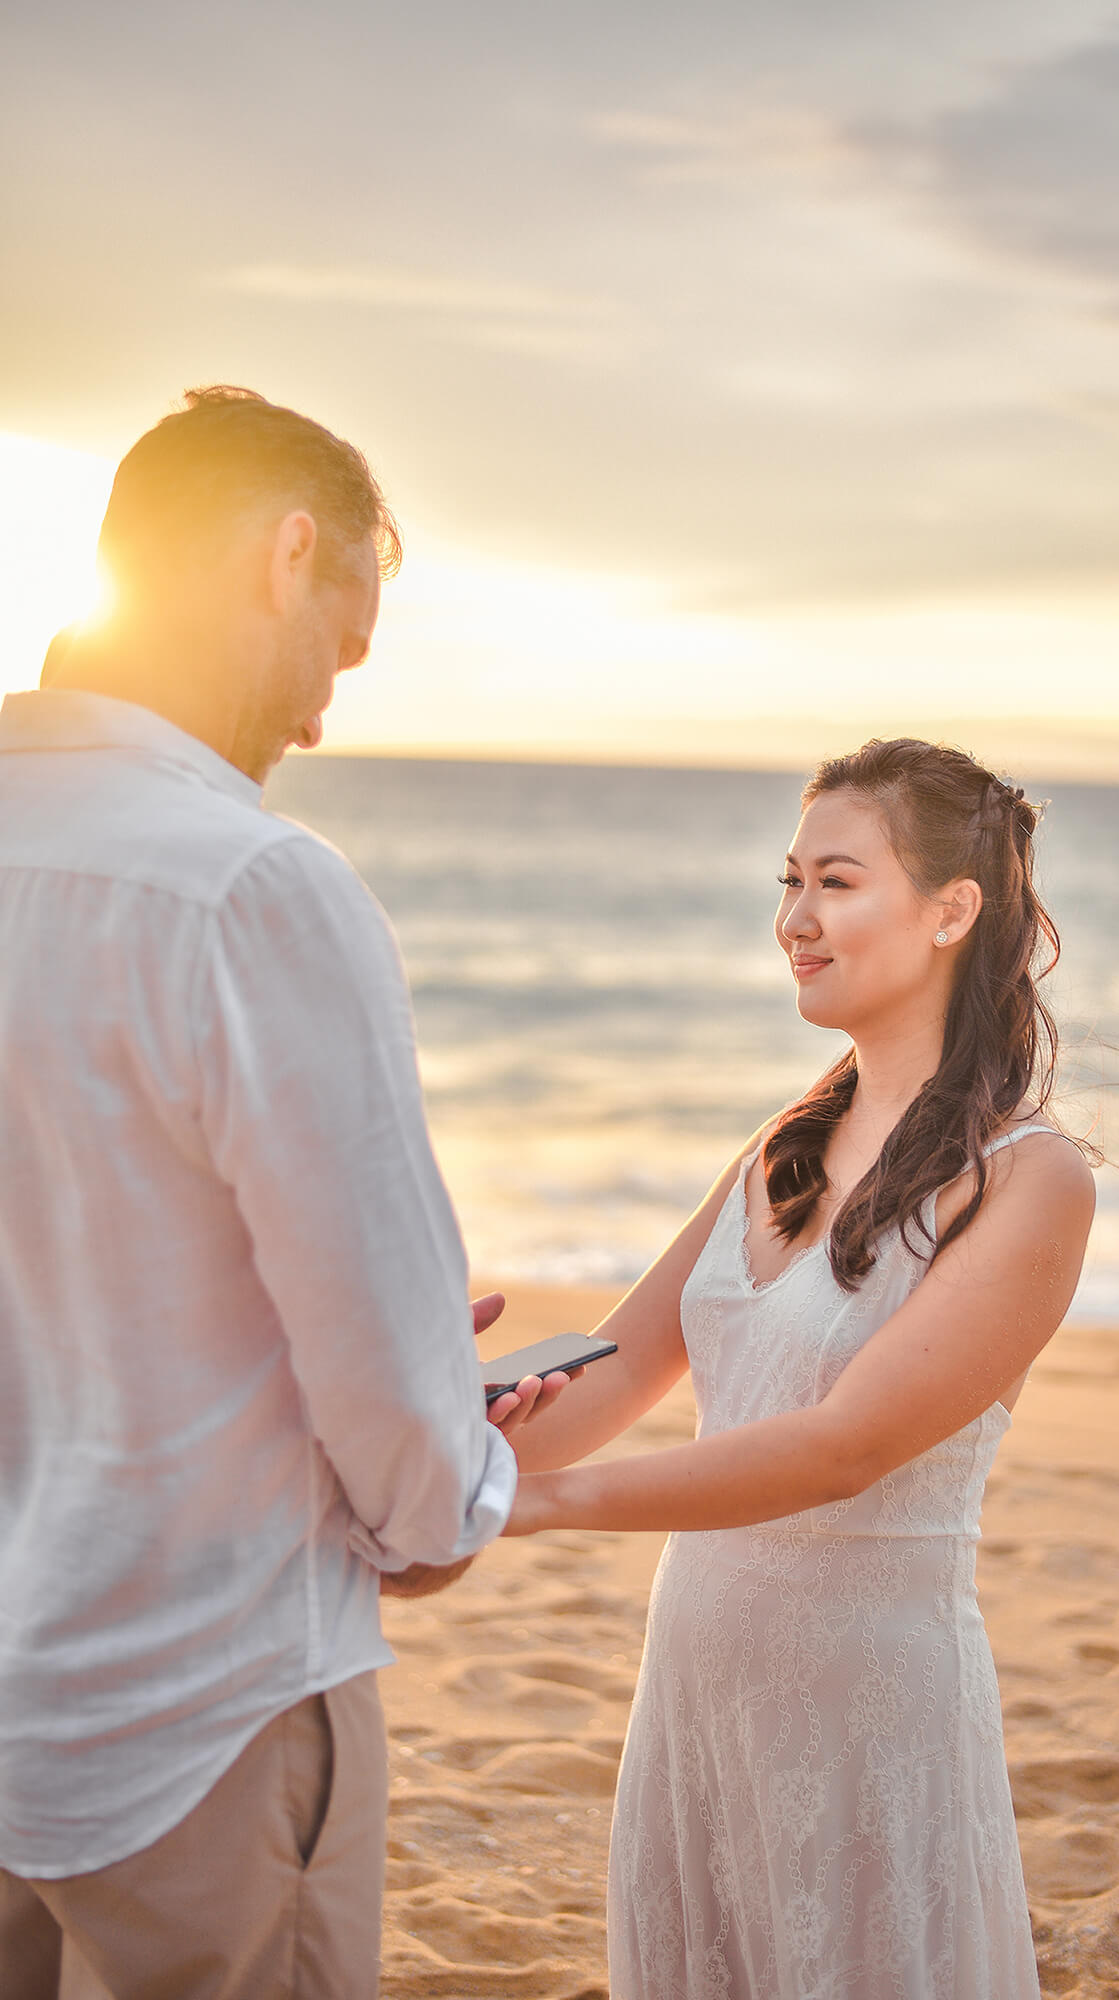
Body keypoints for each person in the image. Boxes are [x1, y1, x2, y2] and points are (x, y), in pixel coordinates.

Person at [0, 386, 567, 2000]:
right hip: (199, 1706)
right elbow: (386, 1371)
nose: (323, 713)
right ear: (286, 553)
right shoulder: (252, 884)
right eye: (344, 643)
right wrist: (443, 1497)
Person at [501, 737, 1097, 1999]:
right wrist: (436, 1427)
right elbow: (602, 1384)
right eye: (788, 881)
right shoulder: (778, 1143)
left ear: (950, 909)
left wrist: (536, 1508)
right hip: (696, 1689)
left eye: (834, 880)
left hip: (866, 1712)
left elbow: (845, 1446)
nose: (792, 920)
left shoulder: (1029, 1177)